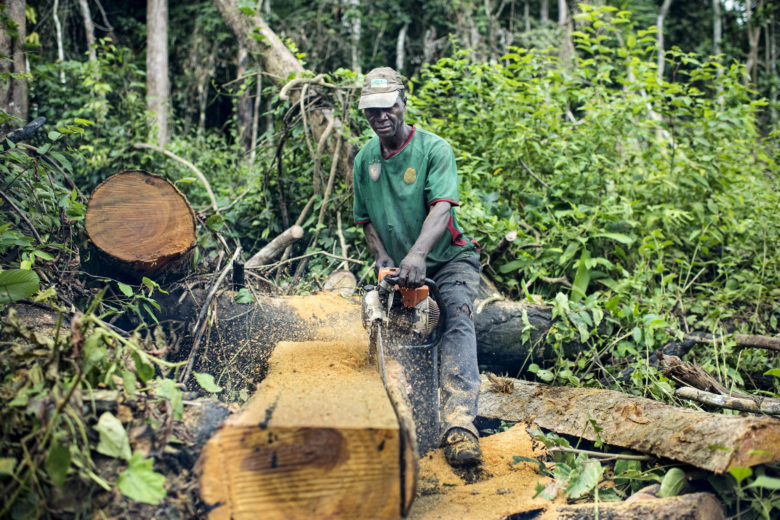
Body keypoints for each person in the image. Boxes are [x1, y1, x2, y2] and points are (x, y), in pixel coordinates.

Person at [352, 67, 483, 467]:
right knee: (394, 329)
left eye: (387, 106)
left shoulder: (433, 149)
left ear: (402, 102)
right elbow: (364, 219)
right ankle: (404, 417)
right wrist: (383, 258)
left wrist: (417, 254)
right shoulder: (363, 161)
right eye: (372, 111)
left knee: (456, 317)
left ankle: (461, 423)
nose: (381, 116)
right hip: (402, 266)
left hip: (447, 259)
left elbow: (442, 207)